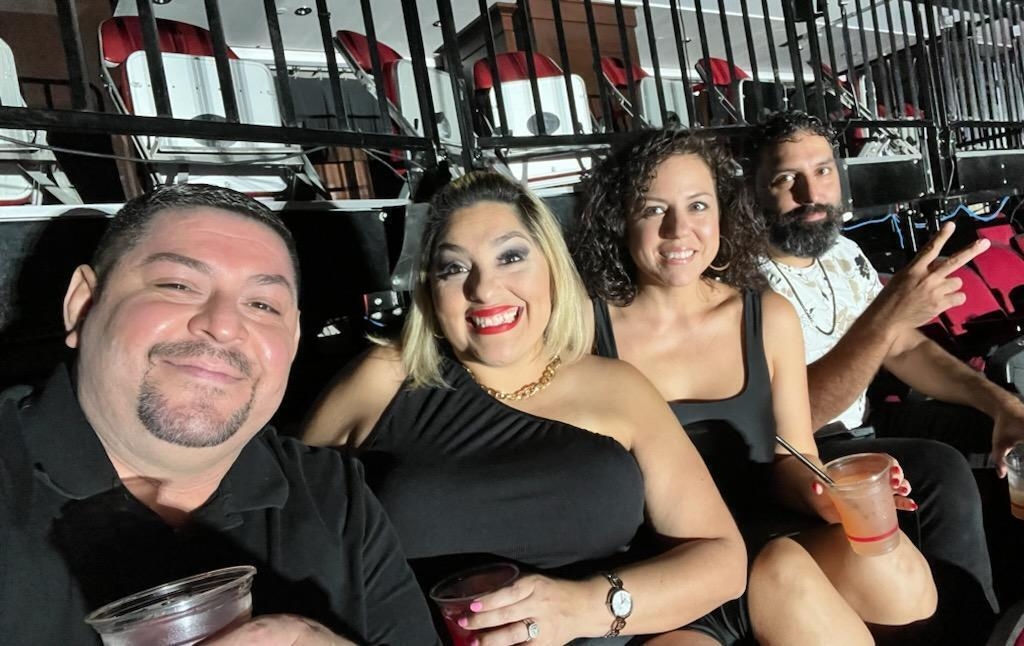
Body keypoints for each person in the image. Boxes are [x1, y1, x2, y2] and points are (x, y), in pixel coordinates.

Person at [304, 171, 747, 645]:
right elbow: (277, 518)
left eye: (511, 257)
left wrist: (580, 608)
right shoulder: (387, 378)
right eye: (454, 268)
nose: (484, 289)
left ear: (552, 266)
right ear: (431, 290)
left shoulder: (618, 388)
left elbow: (722, 559)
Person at [0, 184, 439, 645]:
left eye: (262, 305)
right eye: (178, 286)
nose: (225, 326)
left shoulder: (330, 495)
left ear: (292, 342)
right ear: (82, 306)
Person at [572, 128, 937, 644]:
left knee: (903, 586)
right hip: (667, 577)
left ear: (723, 213)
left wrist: (824, 494)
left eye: (698, 206)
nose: (679, 229)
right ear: (619, 219)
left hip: (773, 549)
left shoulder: (766, 316)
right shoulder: (583, 331)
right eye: (653, 210)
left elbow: (793, 456)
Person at [749, 110, 1007, 637]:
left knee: (1002, 432)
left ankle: (1005, 606)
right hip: (800, 452)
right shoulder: (739, 278)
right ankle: (971, 633)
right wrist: (886, 318)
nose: (811, 193)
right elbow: (787, 427)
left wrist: (1003, 405)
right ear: (752, 190)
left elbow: (904, 347)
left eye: (823, 171)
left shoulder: (843, 252)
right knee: (938, 469)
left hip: (865, 425)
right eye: (786, 178)